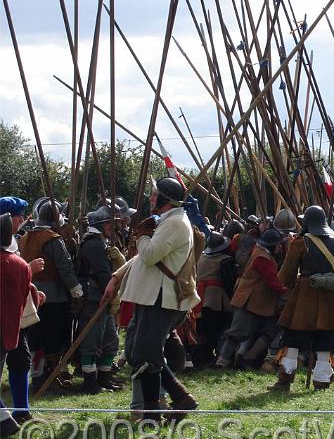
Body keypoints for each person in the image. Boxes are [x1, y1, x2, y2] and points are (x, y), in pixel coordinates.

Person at [101, 177, 201, 421]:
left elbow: (148, 256)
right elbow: (144, 259)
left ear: (165, 199)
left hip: (161, 299)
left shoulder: (175, 223)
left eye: (155, 194)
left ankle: (153, 412)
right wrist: (116, 277)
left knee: (146, 355)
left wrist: (143, 236)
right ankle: (176, 400)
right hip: (154, 297)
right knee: (140, 353)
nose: (150, 198)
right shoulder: (168, 221)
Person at [271, 206, 334, 391]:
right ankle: (322, 380)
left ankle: (285, 379)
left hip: (304, 298)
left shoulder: (300, 243)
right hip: (331, 300)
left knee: (293, 339)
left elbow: (286, 275)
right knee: (326, 340)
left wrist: (294, 285)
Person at [19, 199, 84, 392]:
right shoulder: (52, 238)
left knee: (35, 338)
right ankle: (48, 377)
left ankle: (38, 376)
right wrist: (76, 290)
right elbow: (65, 267)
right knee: (52, 339)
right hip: (53, 297)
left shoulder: (24, 237)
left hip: (31, 295)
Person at [220, 229, 287, 369]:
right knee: (237, 332)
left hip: (260, 302)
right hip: (248, 299)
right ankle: (222, 361)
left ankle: (248, 358)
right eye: (278, 244)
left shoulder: (261, 252)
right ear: (272, 245)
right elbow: (272, 280)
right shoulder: (262, 257)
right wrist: (287, 292)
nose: (280, 247)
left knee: (269, 330)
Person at [1, 212, 41, 439]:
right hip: (10, 328)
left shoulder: (17, 263)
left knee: (20, 362)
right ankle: (9, 419)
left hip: (11, 326)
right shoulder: (20, 264)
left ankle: (10, 419)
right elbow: (27, 292)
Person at [76, 205, 123, 393]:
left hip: (103, 297)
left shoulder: (100, 242)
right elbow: (103, 275)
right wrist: (112, 295)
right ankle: (90, 383)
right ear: (100, 224)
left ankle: (104, 379)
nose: (112, 227)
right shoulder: (93, 244)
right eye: (108, 223)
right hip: (95, 298)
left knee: (110, 340)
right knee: (91, 342)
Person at [193, 232, 237, 369]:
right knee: (215, 330)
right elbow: (229, 282)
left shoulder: (201, 257)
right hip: (216, 300)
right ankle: (204, 358)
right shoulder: (226, 260)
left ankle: (202, 357)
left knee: (203, 330)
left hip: (200, 297)